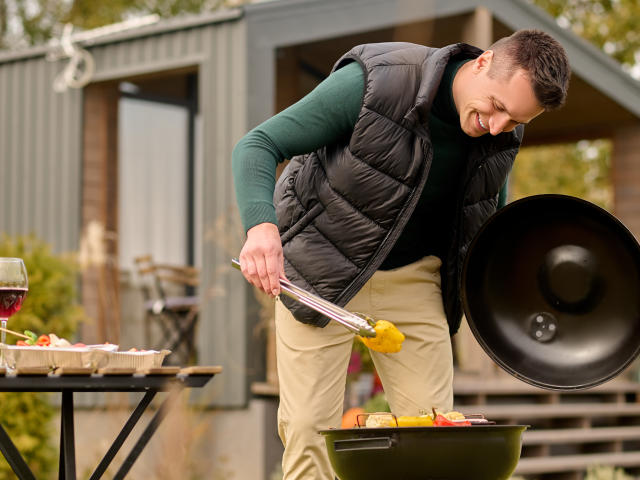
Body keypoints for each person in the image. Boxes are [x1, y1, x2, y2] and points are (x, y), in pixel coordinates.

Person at [232, 29, 570, 480]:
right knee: (311, 429)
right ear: (485, 62)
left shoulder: (503, 133)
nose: (497, 127)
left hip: (416, 280)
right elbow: (256, 145)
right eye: (497, 107)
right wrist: (261, 227)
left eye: (513, 121)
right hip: (322, 270)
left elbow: (486, 216)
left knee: (434, 433)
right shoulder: (378, 82)